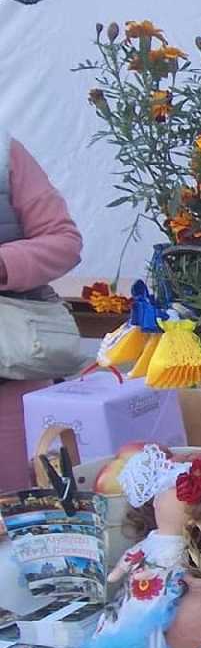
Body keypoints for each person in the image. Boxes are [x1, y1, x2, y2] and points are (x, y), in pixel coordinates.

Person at [0, 137, 83, 491]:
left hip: (11, 377)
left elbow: (64, 241)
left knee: (23, 518)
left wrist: (4, 264)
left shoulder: (4, 154)